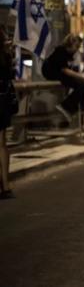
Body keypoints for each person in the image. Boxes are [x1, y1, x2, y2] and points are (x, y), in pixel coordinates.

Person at [42, 34, 84, 122]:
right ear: (70, 43)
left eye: (78, 46)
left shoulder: (71, 55)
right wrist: (81, 77)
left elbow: (70, 70)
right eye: (76, 46)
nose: (77, 49)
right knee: (81, 84)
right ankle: (66, 106)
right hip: (51, 72)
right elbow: (65, 70)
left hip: (60, 73)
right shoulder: (61, 51)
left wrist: (82, 76)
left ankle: (79, 107)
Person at [0, 27, 16, 199]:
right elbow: (11, 75)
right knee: (2, 143)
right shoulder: (6, 56)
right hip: (2, 101)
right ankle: (6, 185)